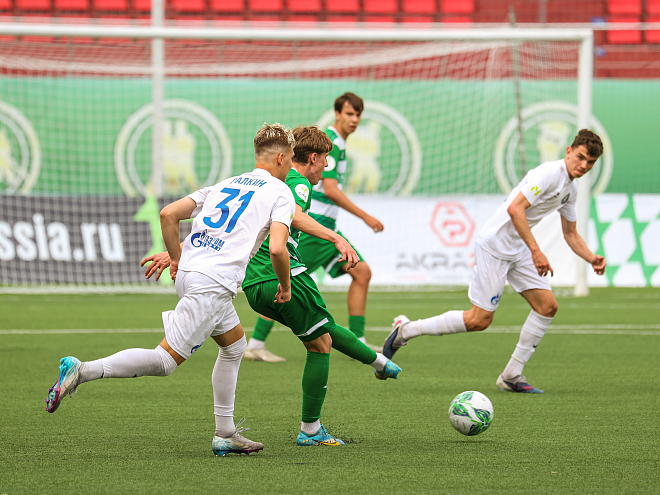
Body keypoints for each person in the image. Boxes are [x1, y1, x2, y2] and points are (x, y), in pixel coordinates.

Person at [45, 123, 299, 456]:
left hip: (193, 273)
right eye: (291, 159)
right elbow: (278, 248)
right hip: (214, 282)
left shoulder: (225, 184)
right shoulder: (281, 192)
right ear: (281, 158)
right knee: (164, 361)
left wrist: (177, 259)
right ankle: (82, 370)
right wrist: (285, 286)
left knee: (235, 346)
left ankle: (225, 433)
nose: (291, 165)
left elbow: (168, 214)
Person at [144, 125, 402, 446]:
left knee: (315, 332)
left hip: (252, 284)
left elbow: (236, 224)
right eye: (324, 160)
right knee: (320, 344)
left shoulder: (267, 181)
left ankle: (380, 363)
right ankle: (311, 429)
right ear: (309, 157)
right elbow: (292, 217)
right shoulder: (297, 184)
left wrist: (180, 249)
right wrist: (335, 237)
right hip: (280, 273)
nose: (326, 166)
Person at [383, 129, 607, 394]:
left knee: (547, 306)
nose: (584, 165)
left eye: (591, 162)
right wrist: (536, 251)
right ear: (568, 151)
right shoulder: (548, 173)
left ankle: (512, 375)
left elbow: (570, 233)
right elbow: (515, 208)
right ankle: (406, 330)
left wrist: (591, 257)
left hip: (519, 247)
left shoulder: (571, 189)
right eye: (580, 157)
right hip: (495, 245)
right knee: (479, 320)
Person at [244, 93, 384, 362]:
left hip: (324, 226)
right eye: (349, 114)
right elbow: (329, 190)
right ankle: (256, 343)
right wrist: (365, 217)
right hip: (315, 228)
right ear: (337, 114)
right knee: (281, 279)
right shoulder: (331, 146)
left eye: (358, 114)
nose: (354, 119)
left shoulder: (335, 145)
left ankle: (359, 340)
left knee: (362, 273)